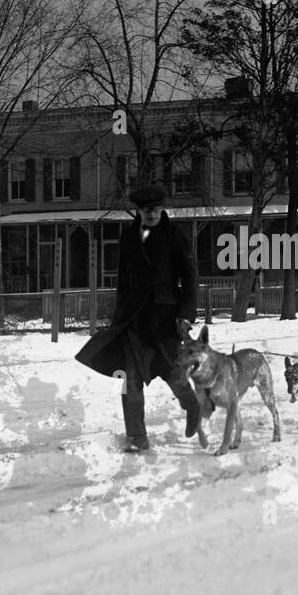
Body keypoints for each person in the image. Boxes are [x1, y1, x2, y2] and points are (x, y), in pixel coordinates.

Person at [74, 184, 204, 452]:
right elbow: (123, 279)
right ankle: (136, 436)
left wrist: (186, 315)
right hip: (134, 319)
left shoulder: (175, 235)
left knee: (173, 372)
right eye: (147, 211)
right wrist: (118, 317)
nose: (152, 215)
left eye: (156, 210)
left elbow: (190, 278)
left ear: (162, 209)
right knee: (130, 378)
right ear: (139, 211)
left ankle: (192, 405)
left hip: (166, 320)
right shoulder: (128, 237)